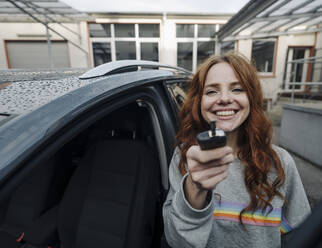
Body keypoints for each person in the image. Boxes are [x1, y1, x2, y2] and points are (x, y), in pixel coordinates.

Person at [162, 52, 311, 248]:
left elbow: (301, 236)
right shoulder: (184, 157)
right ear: (199, 102)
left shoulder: (280, 162)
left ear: (252, 98)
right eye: (212, 91)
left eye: (237, 89)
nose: (224, 99)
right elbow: (177, 242)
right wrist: (194, 189)